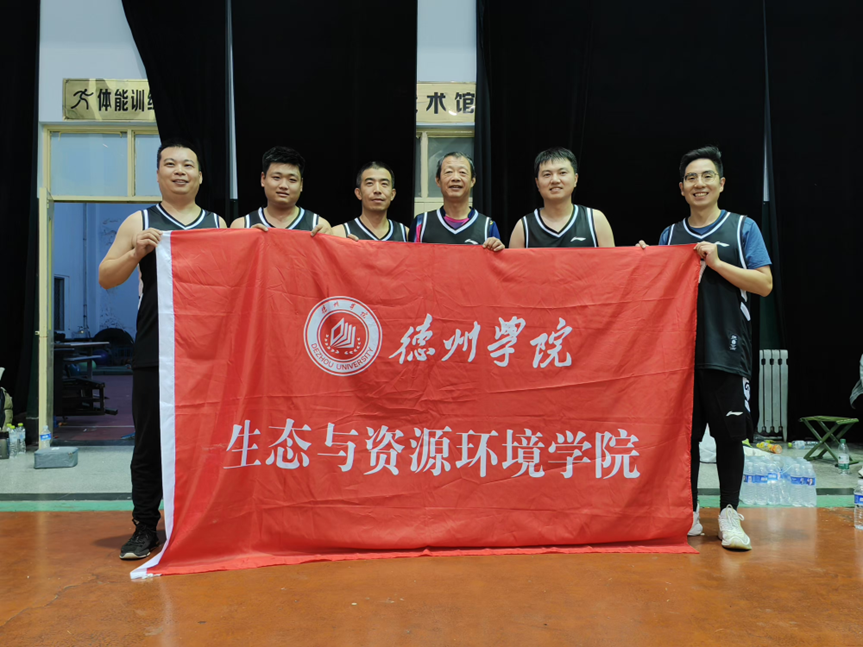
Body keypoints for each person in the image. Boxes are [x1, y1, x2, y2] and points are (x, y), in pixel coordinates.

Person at [639, 145, 773, 551]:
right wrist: (643, 261)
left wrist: (716, 264)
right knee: (685, 439)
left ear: (721, 183)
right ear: (681, 188)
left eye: (707, 176)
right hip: (679, 356)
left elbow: (764, 284)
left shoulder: (742, 227)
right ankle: (690, 512)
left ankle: (729, 514)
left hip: (728, 351)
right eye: (691, 178)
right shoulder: (669, 236)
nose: (699, 184)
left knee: (730, 436)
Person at [99, 139, 227, 560]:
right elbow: (106, 277)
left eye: (188, 165)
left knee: (206, 439)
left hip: (205, 353)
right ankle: (144, 527)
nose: (179, 171)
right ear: (157, 174)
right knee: (150, 442)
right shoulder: (139, 221)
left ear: (200, 176)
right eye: (170, 164)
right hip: (155, 349)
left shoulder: (216, 224)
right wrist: (136, 253)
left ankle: (200, 521)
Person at [509, 147, 614, 249]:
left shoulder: (595, 220)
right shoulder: (523, 227)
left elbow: (611, 261)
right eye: (547, 174)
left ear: (575, 179)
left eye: (562, 173)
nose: (555, 180)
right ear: (537, 183)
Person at [409, 152, 504, 251]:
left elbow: (495, 260)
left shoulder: (488, 227)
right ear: (438, 181)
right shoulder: (421, 223)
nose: (455, 178)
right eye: (449, 172)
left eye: (462, 172)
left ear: (473, 181)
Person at [230, 146, 330, 234]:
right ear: (263, 179)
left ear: (301, 184)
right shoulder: (242, 226)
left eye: (292, 180)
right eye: (277, 177)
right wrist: (248, 240)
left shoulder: (318, 226)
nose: (283, 186)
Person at [331, 161, 408, 242]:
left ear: (392, 194)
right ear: (358, 193)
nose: (377, 190)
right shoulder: (339, 234)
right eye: (370, 183)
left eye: (384, 184)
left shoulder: (406, 235)